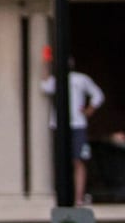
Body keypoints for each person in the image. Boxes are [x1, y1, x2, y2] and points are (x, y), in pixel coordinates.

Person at [40, 49, 105, 205]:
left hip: (78, 125)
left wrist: (89, 110)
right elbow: (44, 86)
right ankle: (60, 196)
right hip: (59, 126)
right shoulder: (56, 80)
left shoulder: (81, 79)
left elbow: (98, 95)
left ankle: (78, 198)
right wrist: (46, 62)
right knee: (60, 162)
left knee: (78, 161)